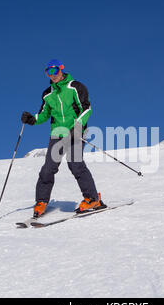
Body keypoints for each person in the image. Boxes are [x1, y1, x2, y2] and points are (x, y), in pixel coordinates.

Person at [21, 59, 106, 218]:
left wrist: (78, 126)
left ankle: (92, 199)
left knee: (75, 164)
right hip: (57, 133)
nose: (52, 75)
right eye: (48, 72)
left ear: (61, 69)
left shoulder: (75, 86)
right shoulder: (47, 94)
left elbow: (87, 109)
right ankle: (41, 202)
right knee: (48, 168)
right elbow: (44, 114)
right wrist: (32, 119)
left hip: (75, 131)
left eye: (54, 71)